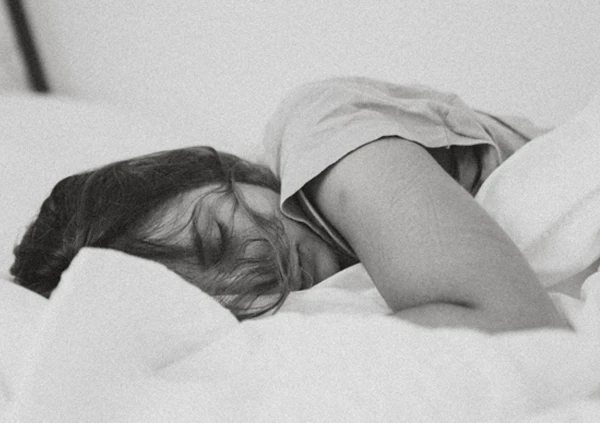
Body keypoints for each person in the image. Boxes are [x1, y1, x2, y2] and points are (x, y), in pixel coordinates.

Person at [11, 77, 567, 331]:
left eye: (217, 239)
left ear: (223, 171)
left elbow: (516, 325)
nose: (256, 276)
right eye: (216, 302)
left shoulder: (322, 131)